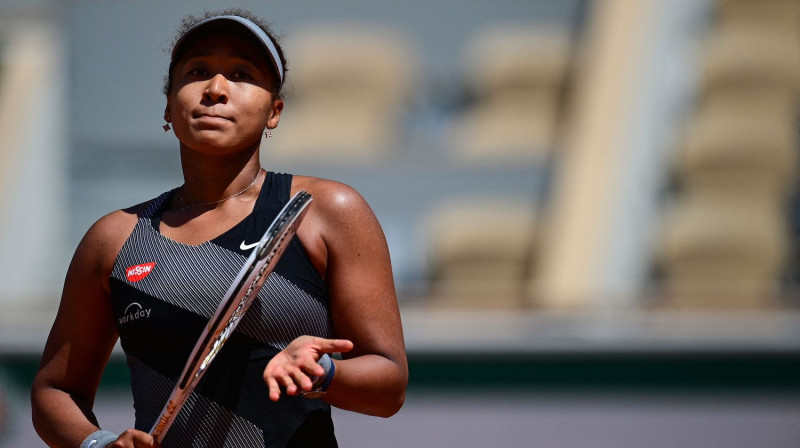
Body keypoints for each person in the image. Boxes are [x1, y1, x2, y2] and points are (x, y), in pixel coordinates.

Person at [31, 8, 408, 448]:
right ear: (169, 105)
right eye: (198, 71)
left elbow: (389, 384)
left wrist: (321, 371)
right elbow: (54, 391)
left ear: (274, 112)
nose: (215, 89)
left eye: (242, 74)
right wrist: (97, 444)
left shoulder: (325, 210)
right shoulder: (113, 239)